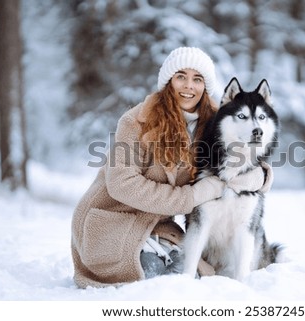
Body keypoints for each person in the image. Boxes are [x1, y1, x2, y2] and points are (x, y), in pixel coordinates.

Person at [71, 47, 273, 288]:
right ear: (168, 81)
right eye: (181, 77)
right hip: (113, 220)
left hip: (157, 227)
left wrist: (260, 177)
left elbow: (247, 151)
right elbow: (121, 184)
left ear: (205, 87)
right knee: (158, 282)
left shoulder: (213, 123)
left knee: (189, 277)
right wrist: (193, 195)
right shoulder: (136, 121)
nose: (189, 86)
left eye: (197, 79)